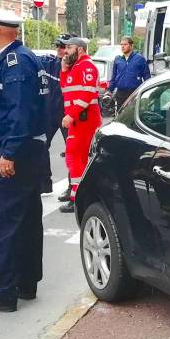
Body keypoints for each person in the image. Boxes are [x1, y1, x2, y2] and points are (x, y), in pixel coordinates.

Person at [0, 2, 49, 312]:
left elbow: (20, 111)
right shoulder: (26, 58)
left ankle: (4, 291)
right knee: (27, 218)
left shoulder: (14, 62)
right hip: (30, 149)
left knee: (5, 222)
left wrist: (9, 152)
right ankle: (25, 282)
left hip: (15, 151)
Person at [59, 36, 101, 214]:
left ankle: (77, 199)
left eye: (69, 48)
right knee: (77, 158)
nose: (65, 51)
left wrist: (72, 114)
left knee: (75, 157)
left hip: (84, 120)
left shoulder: (87, 66)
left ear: (80, 49)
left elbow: (87, 92)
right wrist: (64, 70)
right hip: (77, 121)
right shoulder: (75, 67)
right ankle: (80, 196)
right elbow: (65, 89)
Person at [39, 34, 70, 200]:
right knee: (41, 146)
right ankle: (44, 184)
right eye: (58, 46)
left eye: (63, 46)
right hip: (50, 113)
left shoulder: (75, 67)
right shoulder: (49, 64)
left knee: (72, 151)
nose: (60, 49)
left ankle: (73, 187)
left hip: (68, 115)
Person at [109, 36, 148, 109]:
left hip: (134, 92)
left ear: (131, 46)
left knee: (131, 115)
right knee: (120, 115)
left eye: (125, 44)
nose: (122, 47)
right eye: (121, 45)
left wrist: (147, 91)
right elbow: (114, 76)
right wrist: (109, 90)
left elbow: (147, 76)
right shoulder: (118, 59)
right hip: (120, 93)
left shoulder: (140, 59)